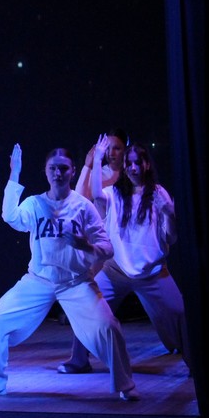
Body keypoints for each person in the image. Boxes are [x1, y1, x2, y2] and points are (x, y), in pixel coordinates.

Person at [0, 144, 137, 400]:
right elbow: (11, 217)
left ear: (73, 171)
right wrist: (15, 173)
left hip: (76, 282)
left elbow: (107, 248)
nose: (58, 173)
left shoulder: (83, 207)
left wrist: (85, 245)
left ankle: (125, 385)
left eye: (63, 168)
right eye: (53, 168)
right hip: (39, 280)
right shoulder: (35, 204)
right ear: (45, 171)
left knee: (108, 326)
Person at [59, 137, 190, 373]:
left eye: (137, 163)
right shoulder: (115, 193)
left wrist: (169, 213)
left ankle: (196, 363)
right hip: (115, 271)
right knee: (88, 307)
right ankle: (78, 360)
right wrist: (97, 160)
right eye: (128, 163)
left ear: (146, 165)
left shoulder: (158, 194)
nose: (132, 168)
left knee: (179, 312)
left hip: (152, 273)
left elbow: (171, 238)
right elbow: (96, 194)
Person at [74, 128, 128, 199]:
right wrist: (87, 166)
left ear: (125, 149)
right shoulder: (98, 174)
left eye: (116, 148)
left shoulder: (131, 173)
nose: (111, 153)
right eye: (107, 148)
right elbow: (78, 199)